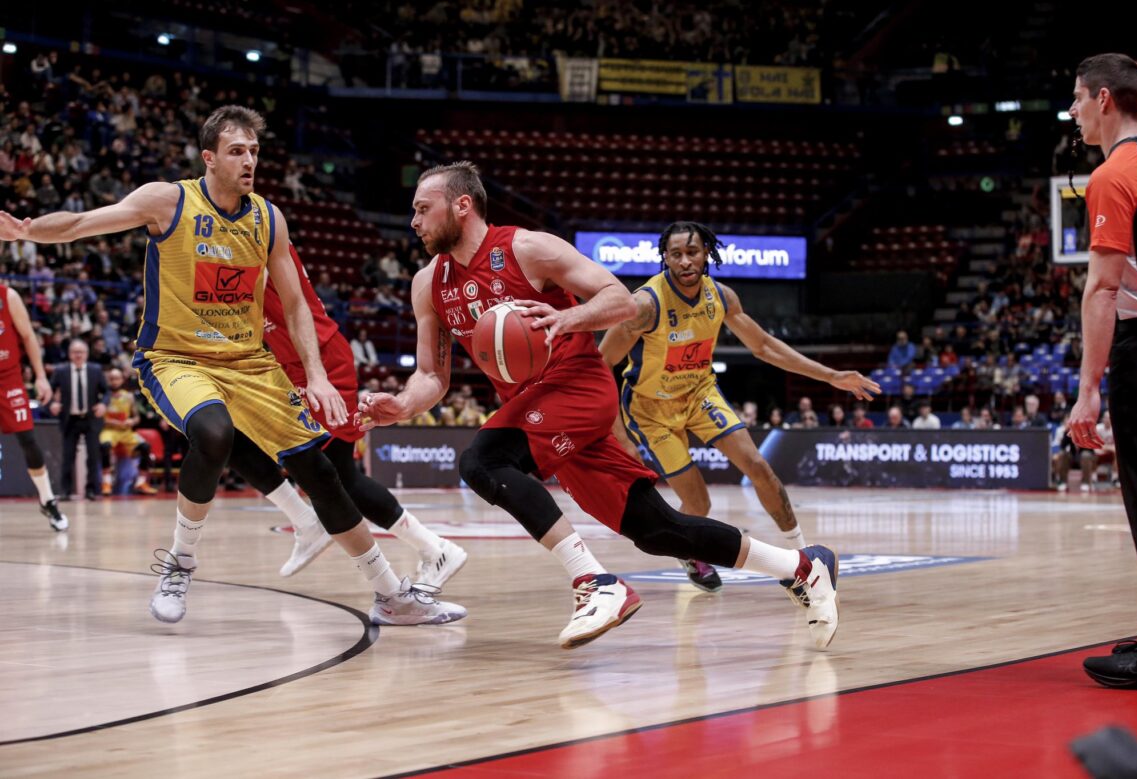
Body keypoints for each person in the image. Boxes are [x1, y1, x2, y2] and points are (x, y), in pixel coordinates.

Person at [0, 105, 464, 628]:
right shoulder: (168, 201)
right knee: (214, 432)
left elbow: (295, 306)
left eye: (254, 152)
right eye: (237, 151)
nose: (249, 162)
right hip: (175, 357)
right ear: (209, 158)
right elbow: (81, 224)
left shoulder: (268, 218)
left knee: (322, 473)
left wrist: (315, 376)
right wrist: (25, 231)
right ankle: (180, 563)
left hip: (249, 362)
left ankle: (391, 595)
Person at [360, 162, 841, 650]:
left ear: (462, 205)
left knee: (483, 462)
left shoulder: (528, 249)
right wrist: (401, 405)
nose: (414, 221)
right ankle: (803, 566)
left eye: (423, 209)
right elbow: (432, 376)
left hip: (578, 386)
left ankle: (595, 583)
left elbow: (621, 301)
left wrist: (567, 318)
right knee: (657, 530)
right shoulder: (428, 283)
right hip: (536, 408)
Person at [599, 221, 878, 592]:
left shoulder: (722, 297)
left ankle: (804, 559)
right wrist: (618, 435)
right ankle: (688, 552)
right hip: (652, 409)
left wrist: (830, 375)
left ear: (706, 254)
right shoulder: (645, 306)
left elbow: (764, 346)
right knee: (698, 503)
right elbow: (600, 364)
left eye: (692, 252)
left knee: (758, 465)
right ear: (664, 257)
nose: (685, 261)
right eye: (676, 254)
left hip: (700, 393)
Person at [226, 243, 466, 585]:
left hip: (318, 360)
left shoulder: (252, 232)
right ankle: (426, 548)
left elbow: (239, 289)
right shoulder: (239, 232)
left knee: (336, 475)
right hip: (294, 361)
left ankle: (432, 549)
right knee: (233, 435)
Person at [1066, 53, 1137, 689]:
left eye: (1078, 98)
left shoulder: (1114, 173)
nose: (1073, 110)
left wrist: (1087, 391)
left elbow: (1103, 289)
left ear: (1104, 99)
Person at [0, 282, 68, 529]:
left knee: (27, 439)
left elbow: (28, 336)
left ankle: (47, 499)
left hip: (8, 377)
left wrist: (40, 376)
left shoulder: (8, 296)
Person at [49, 338, 108, 500]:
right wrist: (52, 403)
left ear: (87, 354)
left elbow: (107, 391)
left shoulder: (96, 370)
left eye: (81, 352)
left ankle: (91, 490)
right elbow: (49, 390)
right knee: (68, 456)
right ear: (69, 354)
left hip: (91, 419)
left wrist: (103, 404)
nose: (78, 355)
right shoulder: (61, 371)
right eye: (75, 352)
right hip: (70, 419)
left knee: (93, 456)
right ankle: (65, 491)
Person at [99, 367, 156, 495]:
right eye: (111, 379)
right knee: (104, 446)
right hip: (109, 430)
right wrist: (111, 422)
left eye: (117, 378)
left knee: (145, 447)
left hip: (126, 432)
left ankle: (141, 482)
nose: (114, 381)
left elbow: (137, 417)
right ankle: (106, 482)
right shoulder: (104, 397)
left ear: (122, 380)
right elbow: (98, 418)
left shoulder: (129, 396)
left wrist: (132, 421)